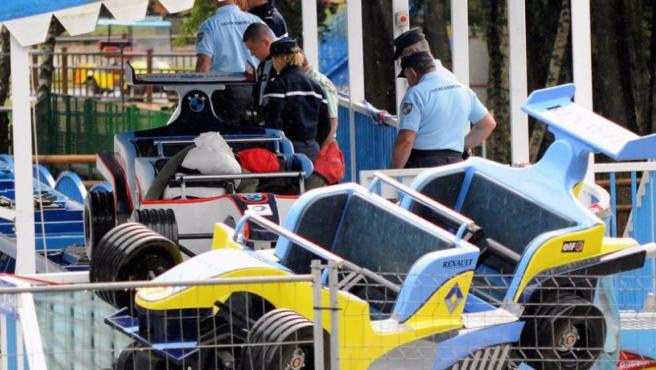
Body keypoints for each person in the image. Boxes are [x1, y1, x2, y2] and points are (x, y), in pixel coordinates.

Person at [391, 51, 497, 169]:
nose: (407, 82)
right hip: (456, 165)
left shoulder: (415, 94)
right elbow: (488, 124)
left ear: (412, 72)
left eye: (406, 77)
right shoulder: (463, 90)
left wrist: (395, 174)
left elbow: (406, 140)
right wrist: (463, 146)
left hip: (423, 165)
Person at [262, 37, 331, 162]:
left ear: (280, 59)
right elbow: (326, 124)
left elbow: (273, 120)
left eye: (273, 59)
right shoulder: (316, 87)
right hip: (312, 149)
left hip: (286, 149)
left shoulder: (277, 86)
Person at [195, 0, 263, 124]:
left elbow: (203, 64)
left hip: (223, 94)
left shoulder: (209, 25)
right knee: (254, 137)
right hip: (256, 90)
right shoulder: (256, 20)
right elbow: (273, 49)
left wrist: (198, 94)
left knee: (226, 140)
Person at [242, 23, 277, 111]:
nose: (252, 54)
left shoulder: (282, 63)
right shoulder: (262, 65)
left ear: (265, 42)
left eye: (253, 49)